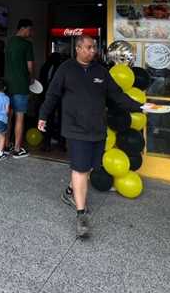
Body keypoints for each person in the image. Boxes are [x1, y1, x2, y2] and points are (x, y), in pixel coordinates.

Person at [38, 34, 136, 238]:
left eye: (94, 48)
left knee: (90, 167)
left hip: (97, 129)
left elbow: (117, 95)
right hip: (75, 129)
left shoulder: (101, 71)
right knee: (80, 169)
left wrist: (141, 106)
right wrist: (43, 116)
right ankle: (81, 215)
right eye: (90, 47)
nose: (94, 51)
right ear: (78, 49)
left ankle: (70, 191)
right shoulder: (66, 69)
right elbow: (53, 93)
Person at [5, 19, 34, 158]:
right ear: (23, 28)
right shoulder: (27, 45)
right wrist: (31, 78)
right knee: (19, 117)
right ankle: (17, 149)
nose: (30, 33)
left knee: (8, 116)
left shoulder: (9, 42)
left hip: (7, 84)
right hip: (21, 85)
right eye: (29, 30)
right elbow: (30, 67)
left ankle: (5, 146)